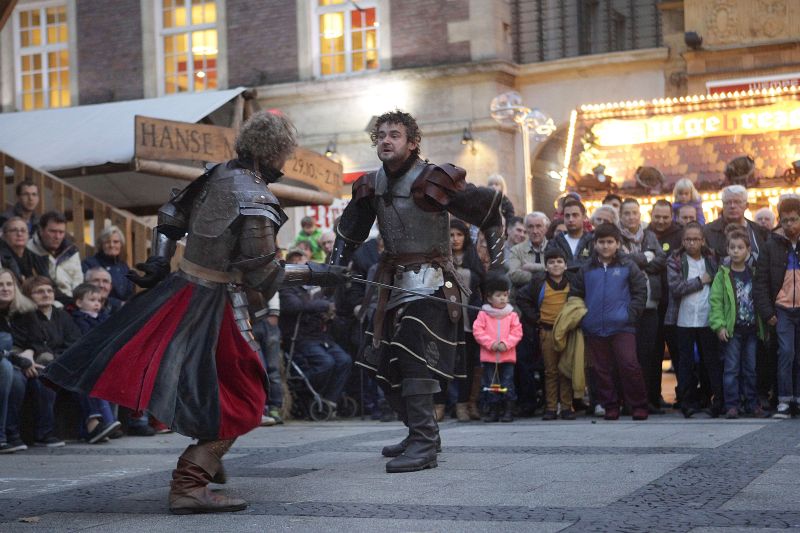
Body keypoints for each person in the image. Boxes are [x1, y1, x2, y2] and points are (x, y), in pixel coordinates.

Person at [45, 111, 347, 514]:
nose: (284, 163)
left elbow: (171, 216)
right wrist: (318, 273)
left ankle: (209, 455)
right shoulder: (256, 196)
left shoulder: (217, 174)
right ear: (271, 152)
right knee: (247, 395)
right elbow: (264, 273)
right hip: (215, 303)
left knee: (209, 385)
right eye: (283, 155)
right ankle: (190, 480)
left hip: (182, 290)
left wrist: (160, 261)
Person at [329, 110, 504, 474]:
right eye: (381, 135)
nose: (386, 140)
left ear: (412, 143)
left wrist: (497, 267)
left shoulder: (433, 179)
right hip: (391, 283)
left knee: (413, 355)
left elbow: (490, 209)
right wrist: (335, 266)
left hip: (432, 282)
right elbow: (349, 232)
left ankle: (425, 441)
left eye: (395, 134)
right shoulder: (371, 184)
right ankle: (418, 433)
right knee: (379, 360)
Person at [569, 223, 649, 421]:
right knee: (601, 370)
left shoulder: (628, 266)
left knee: (629, 365)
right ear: (595, 244)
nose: (605, 246)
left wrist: (630, 315)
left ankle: (638, 405)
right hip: (594, 328)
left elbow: (640, 291)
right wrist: (585, 318)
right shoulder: (586, 269)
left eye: (610, 242)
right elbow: (575, 295)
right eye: (601, 242)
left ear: (617, 244)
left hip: (623, 326)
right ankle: (610, 406)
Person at [13, 276, 82, 447]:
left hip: (61, 362)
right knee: (43, 380)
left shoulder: (62, 316)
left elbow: (74, 343)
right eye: (39, 291)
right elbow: (23, 343)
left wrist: (56, 358)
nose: (46, 294)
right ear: (28, 296)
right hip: (33, 364)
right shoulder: (23, 316)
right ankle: (44, 433)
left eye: (49, 290)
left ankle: (94, 424)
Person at [279, 249, 351, 414]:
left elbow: (328, 304)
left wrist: (328, 312)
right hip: (301, 338)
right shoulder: (286, 287)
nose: (299, 264)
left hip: (321, 336)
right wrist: (324, 306)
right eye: (294, 261)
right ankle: (304, 393)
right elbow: (294, 305)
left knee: (344, 360)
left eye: (302, 260)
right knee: (326, 363)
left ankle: (329, 401)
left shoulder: (316, 287)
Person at [667, 222, 721, 418]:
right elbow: (676, 288)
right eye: (688, 239)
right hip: (683, 318)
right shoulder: (675, 260)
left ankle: (710, 398)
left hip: (708, 317)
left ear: (703, 240)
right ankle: (687, 401)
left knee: (710, 361)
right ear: (683, 241)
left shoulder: (712, 258)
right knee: (685, 363)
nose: (692, 243)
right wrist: (700, 281)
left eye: (696, 239)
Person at [517, 248, 577, 420]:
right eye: (551, 262)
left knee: (566, 370)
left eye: (559, 262)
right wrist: (535, 318)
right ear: (545, 267)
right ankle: (550, 407)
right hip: (547, 331)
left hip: (567, 332)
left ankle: (566, 407)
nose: (555, 265)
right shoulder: (538, 282)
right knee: (550, 371)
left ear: (566, 265)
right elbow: (521, 297)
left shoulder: (572, 282)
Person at [619, 198, 667, 414]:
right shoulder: (616, 237)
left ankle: (645, 400)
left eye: (634, 213)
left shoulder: (650, 235)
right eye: (627, 213)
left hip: (650, 304)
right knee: (628, 357)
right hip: (627, 304)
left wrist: (637, 259)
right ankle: (629, 401)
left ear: (640, 215)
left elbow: (661, 260)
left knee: (648, 356)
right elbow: (621, 261)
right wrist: (646, 258)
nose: (631, 217)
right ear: (621, 216)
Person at [754, 197, 800, 419]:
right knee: (786, 353)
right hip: (782, 309)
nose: (789, 224)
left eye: (794, 220)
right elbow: (761, 281)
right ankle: (784, 400)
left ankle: (797, 399)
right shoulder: (771, 245)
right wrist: (767, 312)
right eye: (785, 220)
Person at [709, 231, 763, 419]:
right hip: (732, 330)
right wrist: (719, 325)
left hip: (752, 330)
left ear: (748, 250)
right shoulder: (722, 275)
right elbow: (715, 302)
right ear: (727, 250)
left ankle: (751, 403)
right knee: (731, 369)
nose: (736, 251)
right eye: (732, 247)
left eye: (740, 247)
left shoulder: (754, 273)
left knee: (750, 369)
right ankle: (732, 404)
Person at [70, 283, 122, 442]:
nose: (97, 304)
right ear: (79, 302)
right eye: (92, 300)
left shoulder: (103, 317)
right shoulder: (78, 319)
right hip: (88, 360)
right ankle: (106, 423)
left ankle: (108, 424)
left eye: (99, 301)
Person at [472, 273, 522, 423]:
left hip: (507, 357)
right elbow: (478, 331)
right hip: (489, 357)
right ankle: (493, 410)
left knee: (507, 384)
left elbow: (517, 332)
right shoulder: (484, 314)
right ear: (489, 298)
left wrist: (506, 344)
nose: (502, 298)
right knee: (490, 385)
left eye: (505, 295)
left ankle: (508, 410)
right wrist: (491, 344)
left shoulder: (512, 315)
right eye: (498, 295)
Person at [448, 219, 485, 422]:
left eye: (459, 235)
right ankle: (440, 405)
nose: (455, 239)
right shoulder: (440, 259)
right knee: (444, 364)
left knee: (468, 365)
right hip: (445, 322)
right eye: (451, 235)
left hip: (469, 323)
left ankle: (465, 404)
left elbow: (482, 291)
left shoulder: (473, 259)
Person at [0, 269, 35, 454]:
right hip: (8, 360)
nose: (5, 288)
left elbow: (37, 340)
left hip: (24, 359)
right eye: (0, 285)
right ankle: (9, 434)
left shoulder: (26, 310)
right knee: (13, 377)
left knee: (39, 377)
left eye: (9, 284)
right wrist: (20, 360)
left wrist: (29, 353)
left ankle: (15, 434)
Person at [26, 211, 83, 305]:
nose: (57, 237)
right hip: (45, 301)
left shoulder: (71, 251)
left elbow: (78, 281)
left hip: (73, 301)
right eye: (52, 231)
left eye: (61, 232)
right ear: (41, 230)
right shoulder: (29, 250)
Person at [704, 185, 768, 261]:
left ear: (746, 205)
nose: (732, 206)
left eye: (737, 202)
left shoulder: (759, 232)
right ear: (722, 205)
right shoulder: (708, 232)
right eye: (728, 202)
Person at [82, 226, 135, 302]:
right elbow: (87, 292)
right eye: (107, 242)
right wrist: (117, 304)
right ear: (101, 245)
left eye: (116, 242)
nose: (112, 245)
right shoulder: (89, 264)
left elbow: (130, 294)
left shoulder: (124, 267)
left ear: (121, 245)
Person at [507, 212, 550, 289]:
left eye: (538, 226)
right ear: (526, 229)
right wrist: (546, 272)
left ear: (546, 228)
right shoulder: (516, 250)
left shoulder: (554, 246)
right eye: (530, 227)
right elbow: (514, 275)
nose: (535, 231)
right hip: (522, 294)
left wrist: (532, 267)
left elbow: (561, 270)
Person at [547, 199, 593, 270]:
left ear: (584, 217)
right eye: (567, 216)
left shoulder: (592, 241)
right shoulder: (554, 243)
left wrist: (566, 266)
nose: (570, 219)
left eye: (575, 215)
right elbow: (552, 265)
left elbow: (593, 263)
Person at [0, 217, 50, 283]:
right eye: (14, 230)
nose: (19, 234)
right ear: (4, 236)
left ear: (28, 235)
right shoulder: (1, 257)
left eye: (23, 231)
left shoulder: (37, 256)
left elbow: (48, 282)